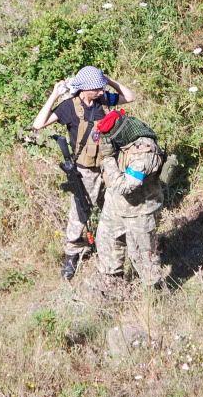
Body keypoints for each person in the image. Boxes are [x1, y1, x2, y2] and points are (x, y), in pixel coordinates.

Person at [31, 66, 136, 279]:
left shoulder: (102, 99)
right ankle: (72, 253)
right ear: (85, 89)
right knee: (80, 213)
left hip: (109, 166)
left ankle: (116, 246)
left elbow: (130, 97)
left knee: (117, 206)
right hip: (85, 170)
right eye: (97, 88)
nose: (100, 91)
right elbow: (38, 124)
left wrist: (108, 80)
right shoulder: (68, 107)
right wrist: (54, 95)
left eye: (101, 88)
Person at [93, 109, 168, 294]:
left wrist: (109, 158)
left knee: (143, 256)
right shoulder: (124, 140)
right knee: (106, 242)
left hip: (139, 210)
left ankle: (155, 296)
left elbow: (125, 186)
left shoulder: (145, 153)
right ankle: (113, 287)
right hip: (115, 205)